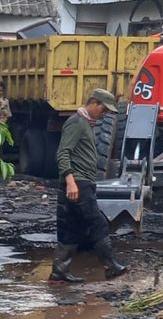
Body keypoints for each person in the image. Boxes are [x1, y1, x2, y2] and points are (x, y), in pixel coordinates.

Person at [51, 89, 127, 282]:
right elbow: (63, 153)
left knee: (71, 227)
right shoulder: (76, 123)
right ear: (93, 103)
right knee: (98, 223)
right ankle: (110, 266)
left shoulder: (85, 123)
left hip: (80, 182)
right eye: (103, 109)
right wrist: (71, 182)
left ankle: (59, 271)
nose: (104, 114)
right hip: (78, 182)